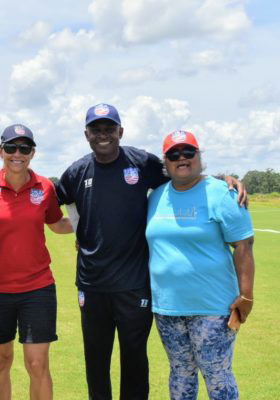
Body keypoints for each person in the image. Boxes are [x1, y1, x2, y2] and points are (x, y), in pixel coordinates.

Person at [56, 104, 247, 400]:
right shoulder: (76, 171)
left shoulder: (142, 162)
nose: (103, 135)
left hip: (135, 285)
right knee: (96, 360)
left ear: (121, 131)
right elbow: (59, 202)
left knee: (134, 359)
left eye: (110, 129)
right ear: (86, 134)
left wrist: (224, 180)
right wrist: (79, 229)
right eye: (96, 130)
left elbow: (185, 173)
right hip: (92, 284)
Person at [146, 130, 254, 400]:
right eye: (174, 154)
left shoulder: (223, 193)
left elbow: (243, 245)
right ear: (166, 162)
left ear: (199, 156)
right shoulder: (156, 196)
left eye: (188, 152)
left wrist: (247, 295)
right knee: (180, 373)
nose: (181, 158)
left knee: (217, 375)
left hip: (213, 308)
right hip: (168, 308)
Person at [0, 124, 73, 400]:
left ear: (32, 153)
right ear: (0, 150)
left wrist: (94, 224)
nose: (17, 154)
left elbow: (57, 224)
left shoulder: (45, 186)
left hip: (37, 289)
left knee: (37, 364)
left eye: (25, 148)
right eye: (11, 147)